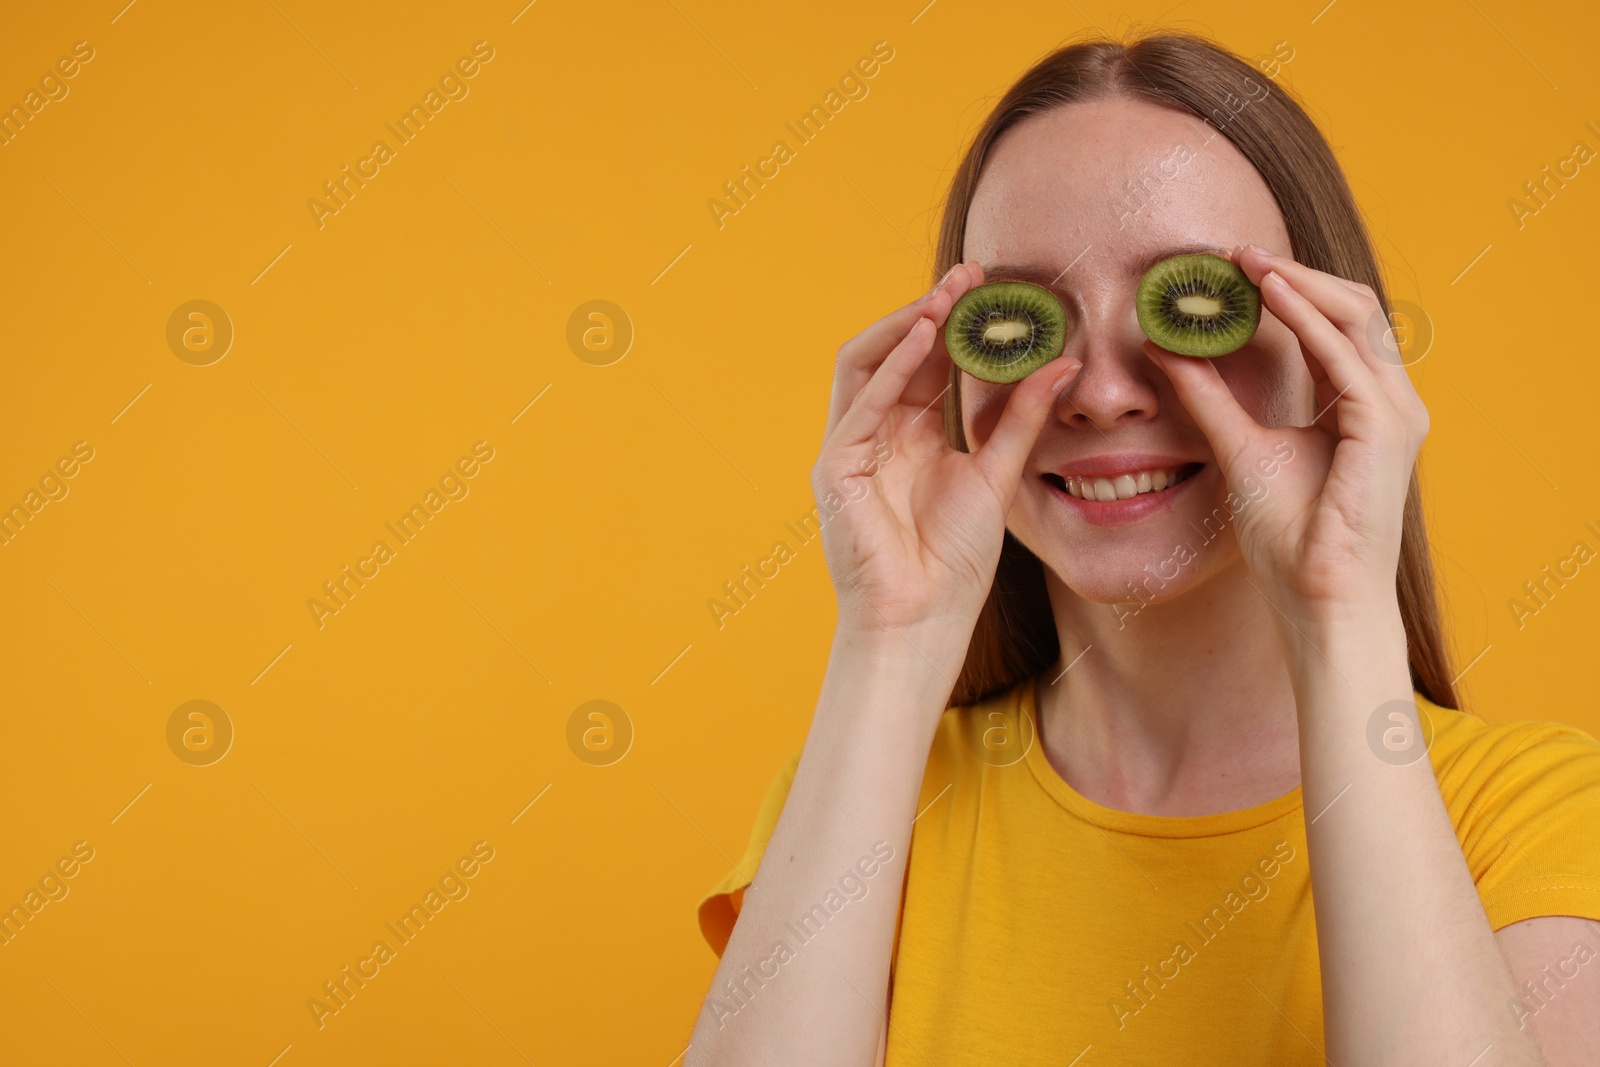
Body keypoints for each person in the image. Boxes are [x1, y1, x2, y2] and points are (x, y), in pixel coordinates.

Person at [685, 30, 1600, 1066]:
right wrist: (893, 633)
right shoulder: (875, 787)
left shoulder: (1542, 816)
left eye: (1192, 305)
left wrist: (1338, 609)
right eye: (1027, 317)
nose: (1103, 390)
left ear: (1332, 352)